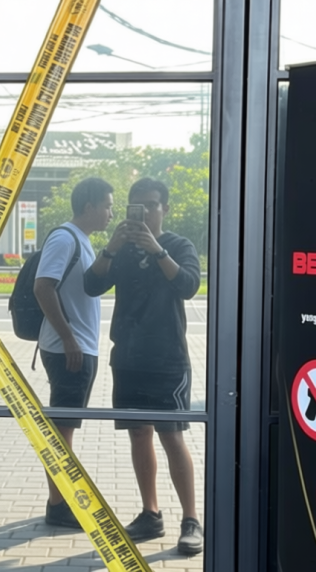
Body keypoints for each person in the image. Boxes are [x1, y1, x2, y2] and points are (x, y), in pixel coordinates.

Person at [83, 177, 204, 555]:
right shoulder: (121, 249)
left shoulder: (178, 245)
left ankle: (191, 520)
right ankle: (151, 513)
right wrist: (111, 247)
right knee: (138, 433)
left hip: (168, 358)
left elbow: (188, 286)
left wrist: (156, 249)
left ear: (165, 208)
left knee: (172, 435)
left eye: (152, 205)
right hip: (128, 357)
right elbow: (91, 285)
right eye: (138, 205)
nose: (146, 212)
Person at [34, 177, 114, 528]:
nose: (111, 213)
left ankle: (59, 500)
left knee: (65, 427)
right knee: (62, 430)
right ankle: (59, 505)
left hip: (78, 347)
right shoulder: (65, 238)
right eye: (107, 206)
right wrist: (68, 338)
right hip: (68, 350)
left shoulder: (83, 240)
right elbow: (43, 287)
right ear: (89, 207)